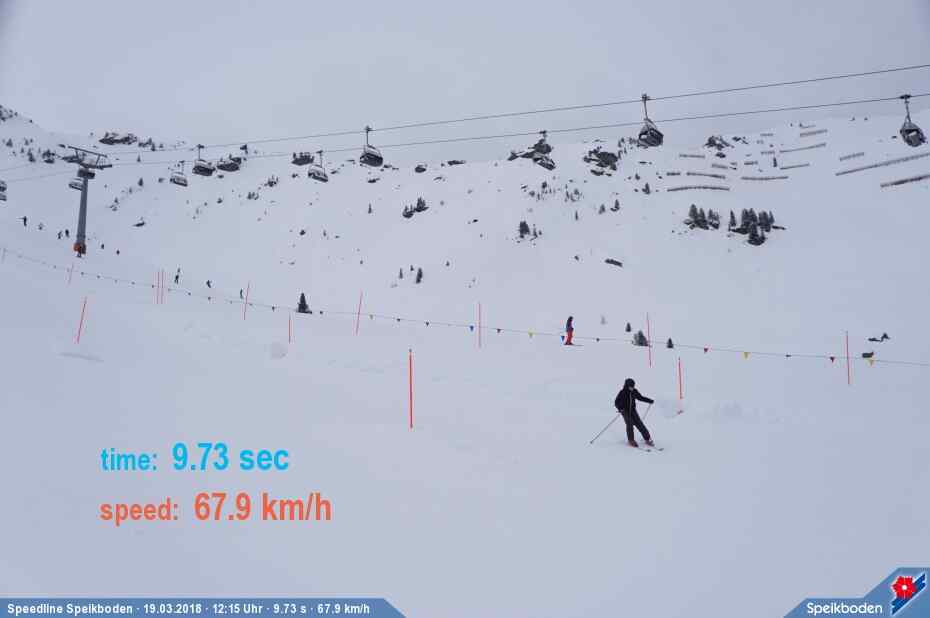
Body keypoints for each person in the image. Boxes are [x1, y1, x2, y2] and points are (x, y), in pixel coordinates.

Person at [615, 378, 655, 447]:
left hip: (633, 410)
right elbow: (616, 402)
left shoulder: (634, 391)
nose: (632, 388)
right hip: (625, 411)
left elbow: (640, 398)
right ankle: (631, 440)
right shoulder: (622, 392)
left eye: (633, 386)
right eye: (630, 386)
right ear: (626, 386)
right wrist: (620, 408)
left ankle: (647, 438)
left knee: (639, 424)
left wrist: (649, 400)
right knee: (629, 424)